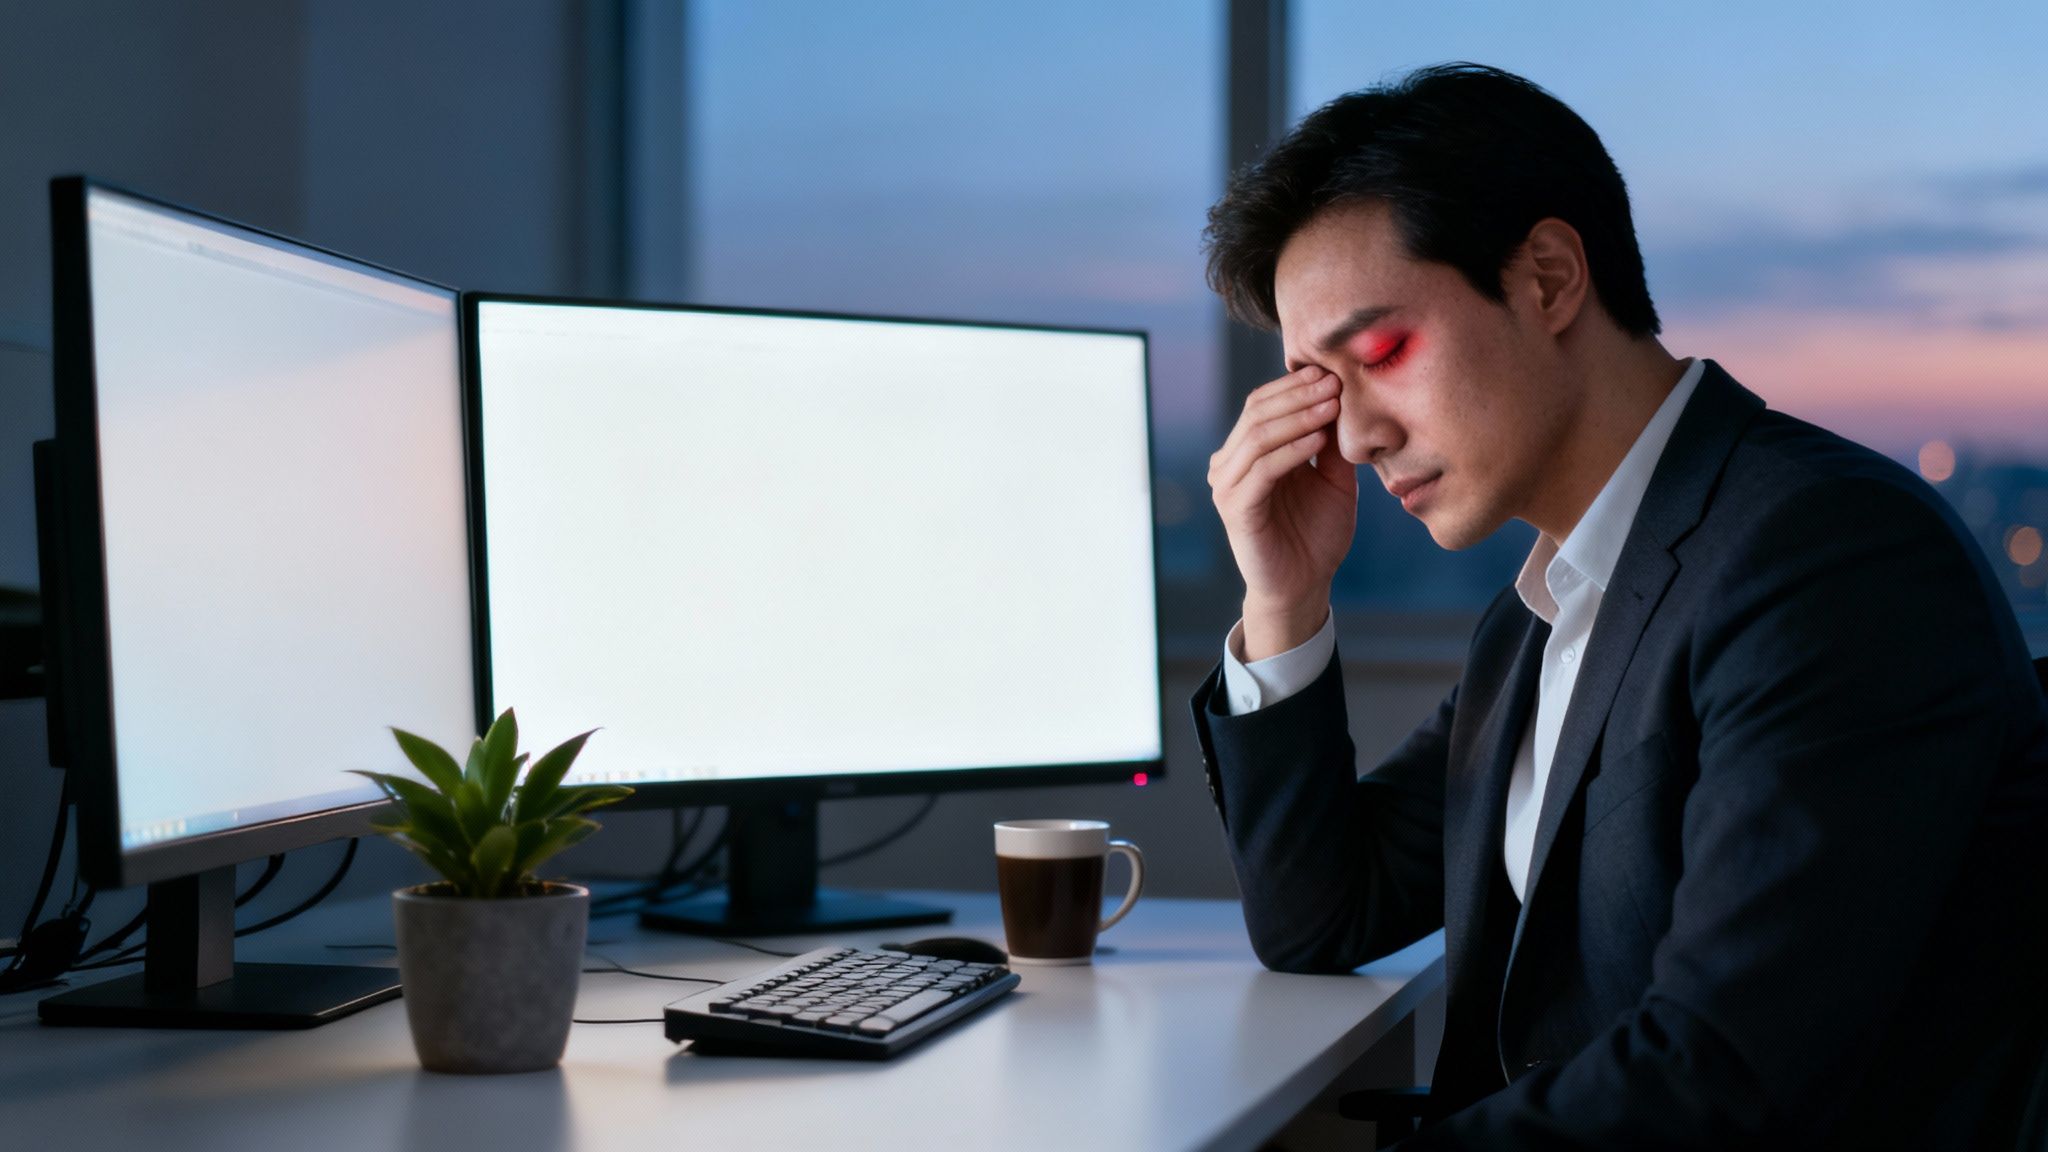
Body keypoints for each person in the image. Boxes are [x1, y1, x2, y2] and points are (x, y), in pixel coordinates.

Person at [1192, 62, 2048, 1148]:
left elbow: (1726, 1076)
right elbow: (1324, 915)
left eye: (1380, 353)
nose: (1352, 438)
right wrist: (1283, 594)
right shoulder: (1544, 611)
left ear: (1548, 279)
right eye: (1318, 389)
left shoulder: (1823, 556)